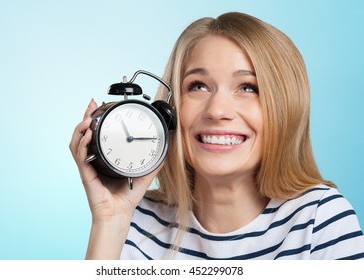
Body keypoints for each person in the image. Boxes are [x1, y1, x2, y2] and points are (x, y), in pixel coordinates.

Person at [70, 12, 364, 260]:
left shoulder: (319, 222)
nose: (218, 110)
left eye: (248, 87)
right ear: (170, 112)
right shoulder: (135, 220)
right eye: (198, 86)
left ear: (284, 108)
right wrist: (110, 221)